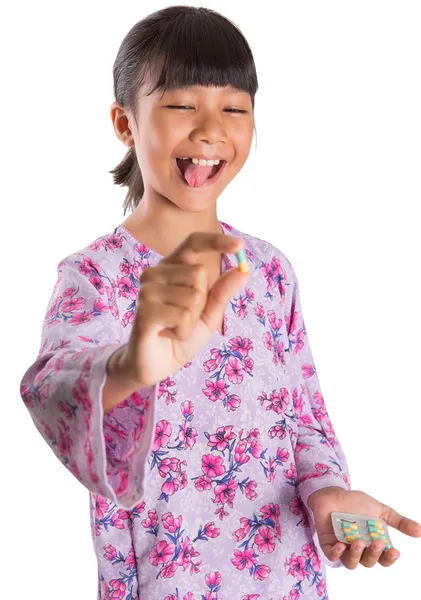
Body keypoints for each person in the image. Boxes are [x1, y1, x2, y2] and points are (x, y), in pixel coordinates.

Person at [19, 5, 421, 600]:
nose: (210, 131)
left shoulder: (269, 271)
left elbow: (304, 419)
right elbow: (51, 386)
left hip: (288, 580)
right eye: (182, 105)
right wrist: (131, 366)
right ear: (125, 123)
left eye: (234, 109)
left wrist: (328, 495)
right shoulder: (96, 276)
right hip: (161, 583)